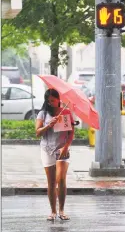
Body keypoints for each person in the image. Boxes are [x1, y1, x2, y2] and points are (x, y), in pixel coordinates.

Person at [35, 88, 74, 221]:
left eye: (53, 100)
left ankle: (61, 210)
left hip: (62, 149)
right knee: (51, 182)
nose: (50, 103)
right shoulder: (43, 114)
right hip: (46, 149)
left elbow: (71, 133)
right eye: (48, 101)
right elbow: (38, 132)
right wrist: (48, 125)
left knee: (61, 179)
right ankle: (53, 211)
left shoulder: (66, 113)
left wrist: (66, 147)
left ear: (58, 99)